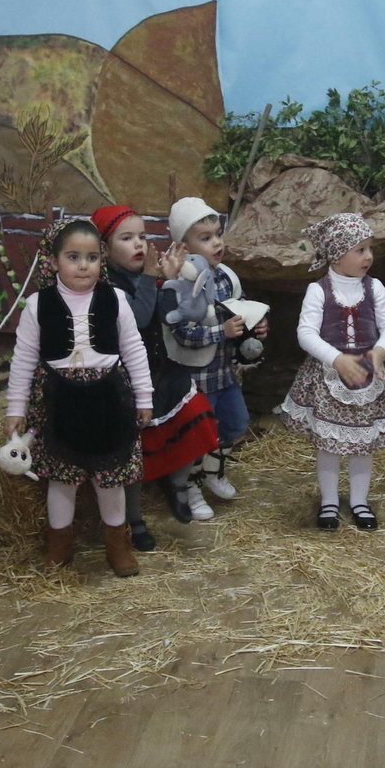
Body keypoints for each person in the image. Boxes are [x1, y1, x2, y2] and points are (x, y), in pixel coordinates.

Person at [5, 219, 154, 575]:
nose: (83, 265)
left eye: (91, 257)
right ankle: (59, 546)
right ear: (54, 261)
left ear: (101, 261)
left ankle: (117, 545)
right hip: (59, 401)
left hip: (108, 399)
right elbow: (23, 359)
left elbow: (134, 349)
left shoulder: (115, 298)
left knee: (110, 478)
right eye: (73, 257)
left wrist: (145, 397)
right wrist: (15, 408)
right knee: (62, 479)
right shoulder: (37, 305)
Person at [93, 203, 221, 548]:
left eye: (142, 236)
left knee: (199, 416)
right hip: (126, 383)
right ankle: (134, 520)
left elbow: (167, 317)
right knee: (132, 454)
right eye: (127, 238)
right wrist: (153, 277)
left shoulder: (149, 275)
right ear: (104, 249)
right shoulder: (104, 286)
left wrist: (173, 280)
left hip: (161, 372)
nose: (139, 244)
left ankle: (178, 484)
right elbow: (136, 320)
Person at [280, 213, 385, 530]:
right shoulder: (318, 290)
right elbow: (306, 333)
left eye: (370, 248)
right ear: (336, 254)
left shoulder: (375, 288)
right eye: (360, 250)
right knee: (329, 445)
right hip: (329, 380)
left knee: (364, 444)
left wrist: (379, 351)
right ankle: (330, 503)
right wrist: (335, 359)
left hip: (365, 381)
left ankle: (360, 502)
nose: (369, 256)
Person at [158, 197, 265, 520]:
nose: (216, 242)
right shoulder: (179, 284)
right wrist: (223, 332)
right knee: (196, 435)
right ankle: (191, 488)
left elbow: (240, 309)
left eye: (218, 234)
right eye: (205, 238)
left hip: (224, 373)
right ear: (183, 245)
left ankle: (214, 472)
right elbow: (181, 332)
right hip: (196, 378)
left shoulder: (227, 276)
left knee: (235, 423)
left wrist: (253, 325)